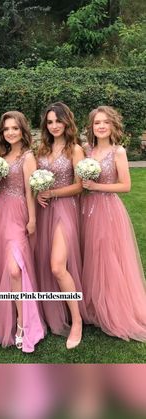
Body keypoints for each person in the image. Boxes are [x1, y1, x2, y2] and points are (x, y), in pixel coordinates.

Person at [81, 105, 146, 341]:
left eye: (105, 122)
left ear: (112, 126)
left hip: (107, 209)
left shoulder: (118, 152)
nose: (100, 126)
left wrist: (97, 187)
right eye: (97, 123)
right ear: (92, 127)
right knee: (89, 256)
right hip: (85, 209)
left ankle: (113, 310)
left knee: (107, 259)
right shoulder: (86, 149)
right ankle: (93, 306)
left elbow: (126, 186)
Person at [0, 110, 46, 352]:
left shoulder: (28, 157)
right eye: (6, 129)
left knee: (15, 267)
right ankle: (4, 317)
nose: (10, 132)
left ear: (23, 130)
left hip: (18, 213)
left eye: (15, 128)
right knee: (2, 266)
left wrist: (32, 220)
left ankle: (24, 323)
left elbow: (29, 191)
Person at [35, 102, 88, 350]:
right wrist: (38, 194)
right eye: (50, 122)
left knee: (57, 266)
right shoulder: (42, 148)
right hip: (44, 211)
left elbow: (79, 186)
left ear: (67, 121)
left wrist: (53, 192)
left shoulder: (74, 149)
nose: (54, 126)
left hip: (65, 209)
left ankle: (76, 320)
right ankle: (51, 313)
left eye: (58, 120)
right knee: (44, 263)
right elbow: (34, 180)